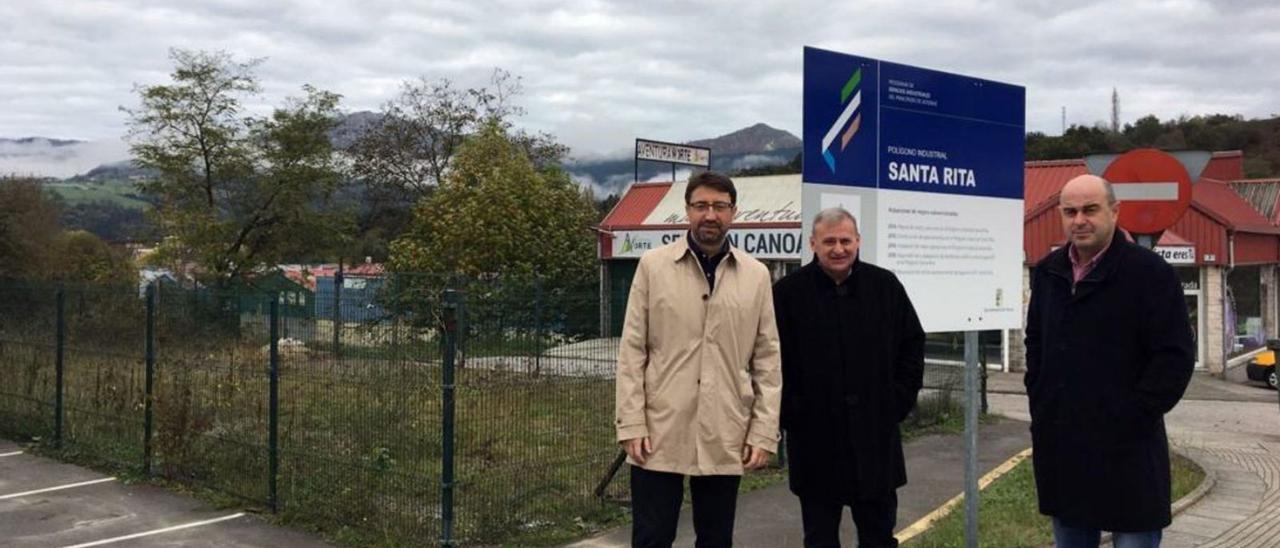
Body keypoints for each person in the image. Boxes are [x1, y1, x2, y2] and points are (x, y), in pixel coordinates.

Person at [1025, 174, 1194, 548]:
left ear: (1115, 212)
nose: (1079, 220)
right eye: (1070, 211)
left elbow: (1174, 358)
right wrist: (1040, 397)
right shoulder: (1049, 272)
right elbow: (1035, 341)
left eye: (1090, 209)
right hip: (1064, 450)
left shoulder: (1150, 274)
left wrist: (1131, 416)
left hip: (1128, 451)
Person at [615, 171, 782, 548]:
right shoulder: (653, 267)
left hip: (726, 427)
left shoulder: (756, 276)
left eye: (720, 206)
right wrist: (630, 423)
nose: (711, 215)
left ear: (733, 212)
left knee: (716, 537)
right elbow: (632, 351)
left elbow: (768, 359)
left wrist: (763, 430)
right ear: (687, 211)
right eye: (701, 206)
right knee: (652, 537)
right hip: (658, 429)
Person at [772, 207, 925, 548]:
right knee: (819, 539)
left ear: (858, 241)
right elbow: (770, 360)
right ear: (813, 243)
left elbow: (913, 344)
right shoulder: (787, 293)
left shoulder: (884, 285)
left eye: (845, 240)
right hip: (814, 444)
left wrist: (897, 402)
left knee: (879, 537)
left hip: (875, 441)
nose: (838, 249)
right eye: (829, 241)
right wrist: (790, 413)